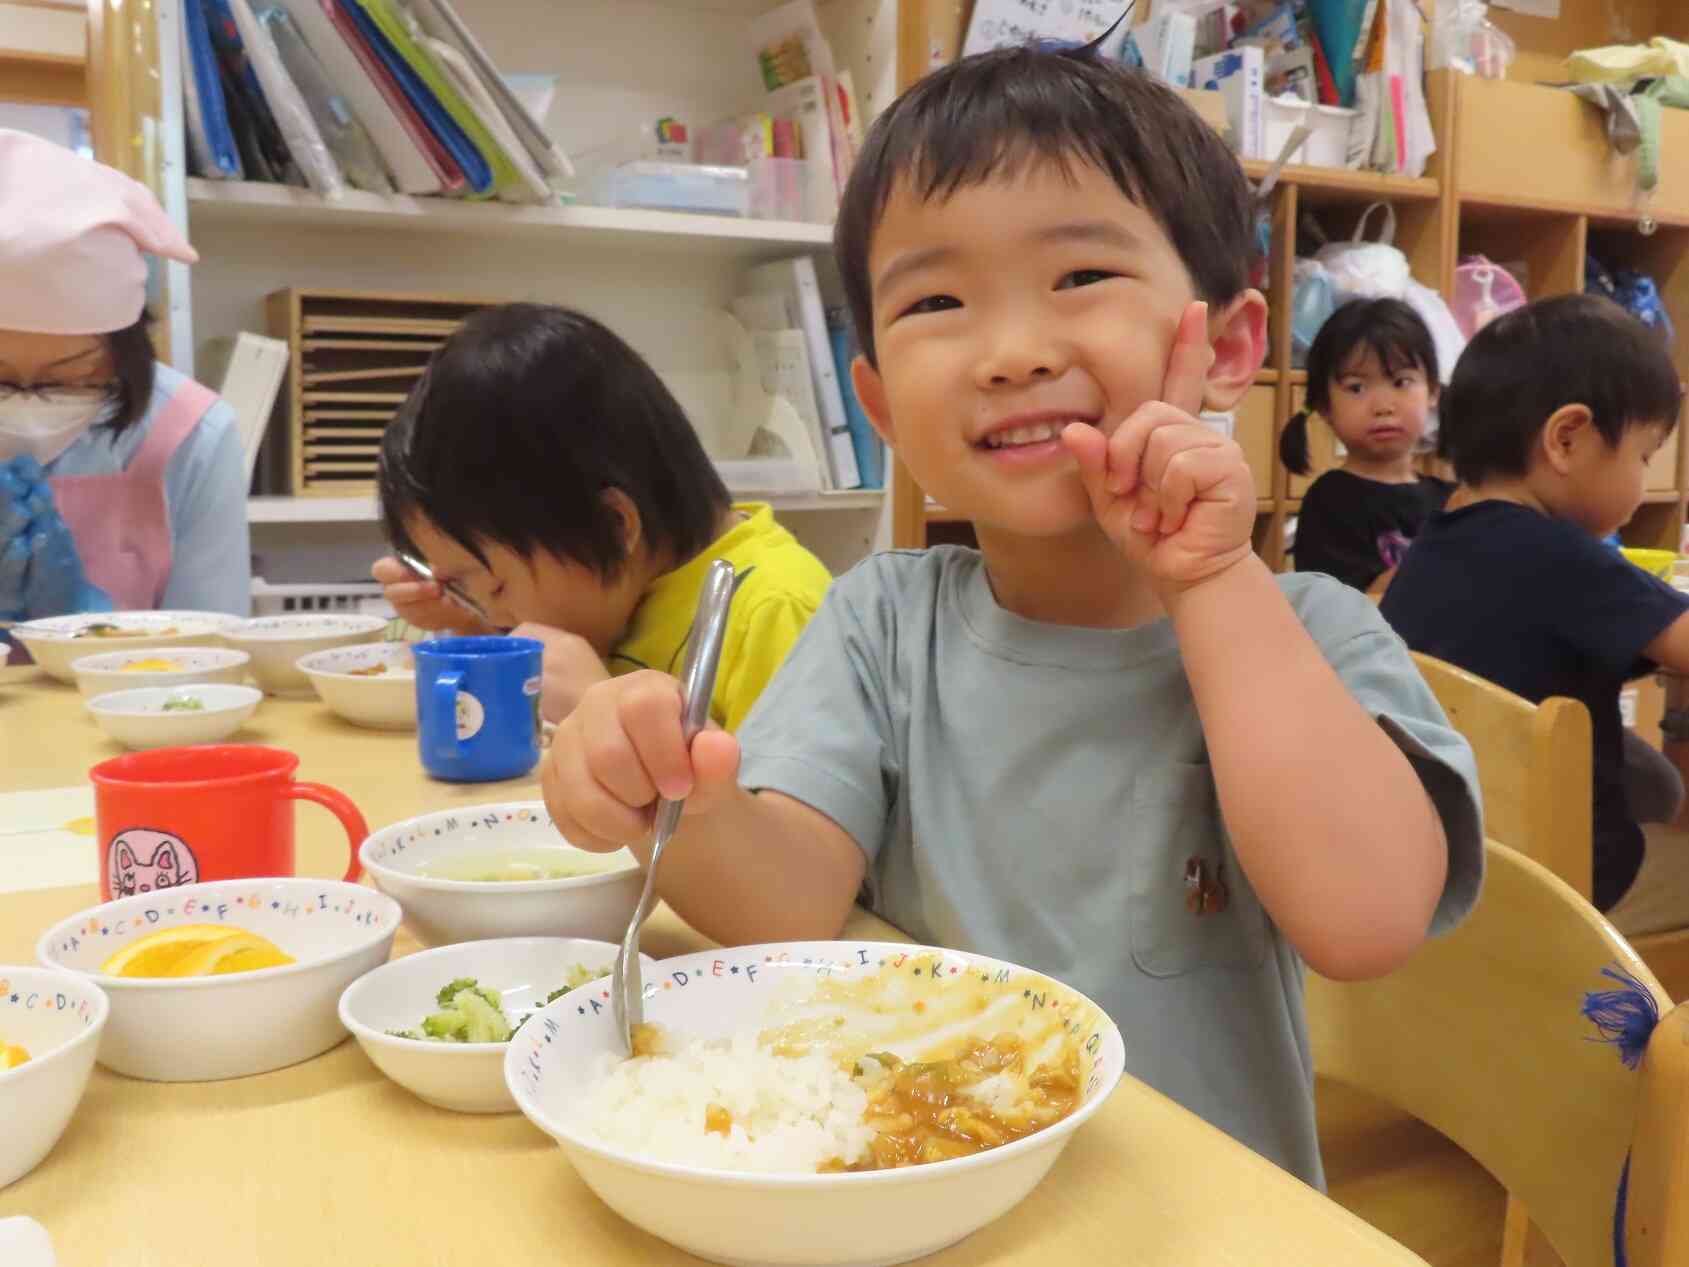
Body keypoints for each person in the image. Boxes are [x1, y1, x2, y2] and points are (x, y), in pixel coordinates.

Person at [538, 46, 1483, 1186]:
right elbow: (779, 901)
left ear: (1227, 347)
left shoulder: (1308, 631)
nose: (1012, 352)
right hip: (918, 1194)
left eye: (1080, 277)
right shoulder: (884, 621)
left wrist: (1212, 581)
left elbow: (1367, 920)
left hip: (1201, 1225)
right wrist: (667, 792)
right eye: (937, 302)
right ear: (879, 401)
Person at [373, 303, 832, 729]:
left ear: (613, 527)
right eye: (465, 588)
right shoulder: (629, 584)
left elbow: (778, 815)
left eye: (496, 587)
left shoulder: (775, 613)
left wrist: (604, 708)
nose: (495, 613)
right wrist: (470, 625)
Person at [1383, 293, 1689, 925]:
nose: (1641, 481)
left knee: (1657, 783)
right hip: (1578, 885)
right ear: (1568, 439)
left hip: (1460, 861)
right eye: (1643, 455)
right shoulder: (1564, 557)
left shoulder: (1435, 542)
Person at [0, 130, 251, 635]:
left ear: (125, 347)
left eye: (69, 375)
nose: (28, 404)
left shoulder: (192, 434)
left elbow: (213, 654)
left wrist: (81, 620)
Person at [1283, 298, 1452, 594]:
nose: (1383, 406)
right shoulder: (1330, 502)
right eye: (1356, 388)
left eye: (1401, 382)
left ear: (1433, 392)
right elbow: (1346, 610)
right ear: (1324, 406)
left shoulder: (1451, 498)